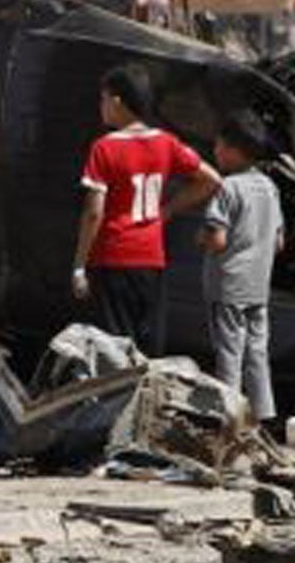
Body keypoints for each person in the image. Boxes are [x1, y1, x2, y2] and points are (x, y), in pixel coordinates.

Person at [71, 63, 220, 354]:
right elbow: (211, 180)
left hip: (112, 258)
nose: (100, 107)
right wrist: (168, 210)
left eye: (103, 99)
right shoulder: (165, 143)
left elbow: (93, 212)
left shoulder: (104, 148)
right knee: (147, 344)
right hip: (151, 259)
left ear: (116, 101)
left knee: (113, 349)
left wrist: (78, 266)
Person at [198, 111, 283, 428]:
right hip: (258, 285)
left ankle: (230, 420)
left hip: (228, 284)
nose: (215, 153)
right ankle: (264, 417)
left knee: (229, 353)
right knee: (257, 352)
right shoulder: (269, 188)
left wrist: (201, 238)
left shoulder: (228, 188)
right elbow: (278, 242)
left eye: (219, 147)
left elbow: (217, 240)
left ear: (235, 150)